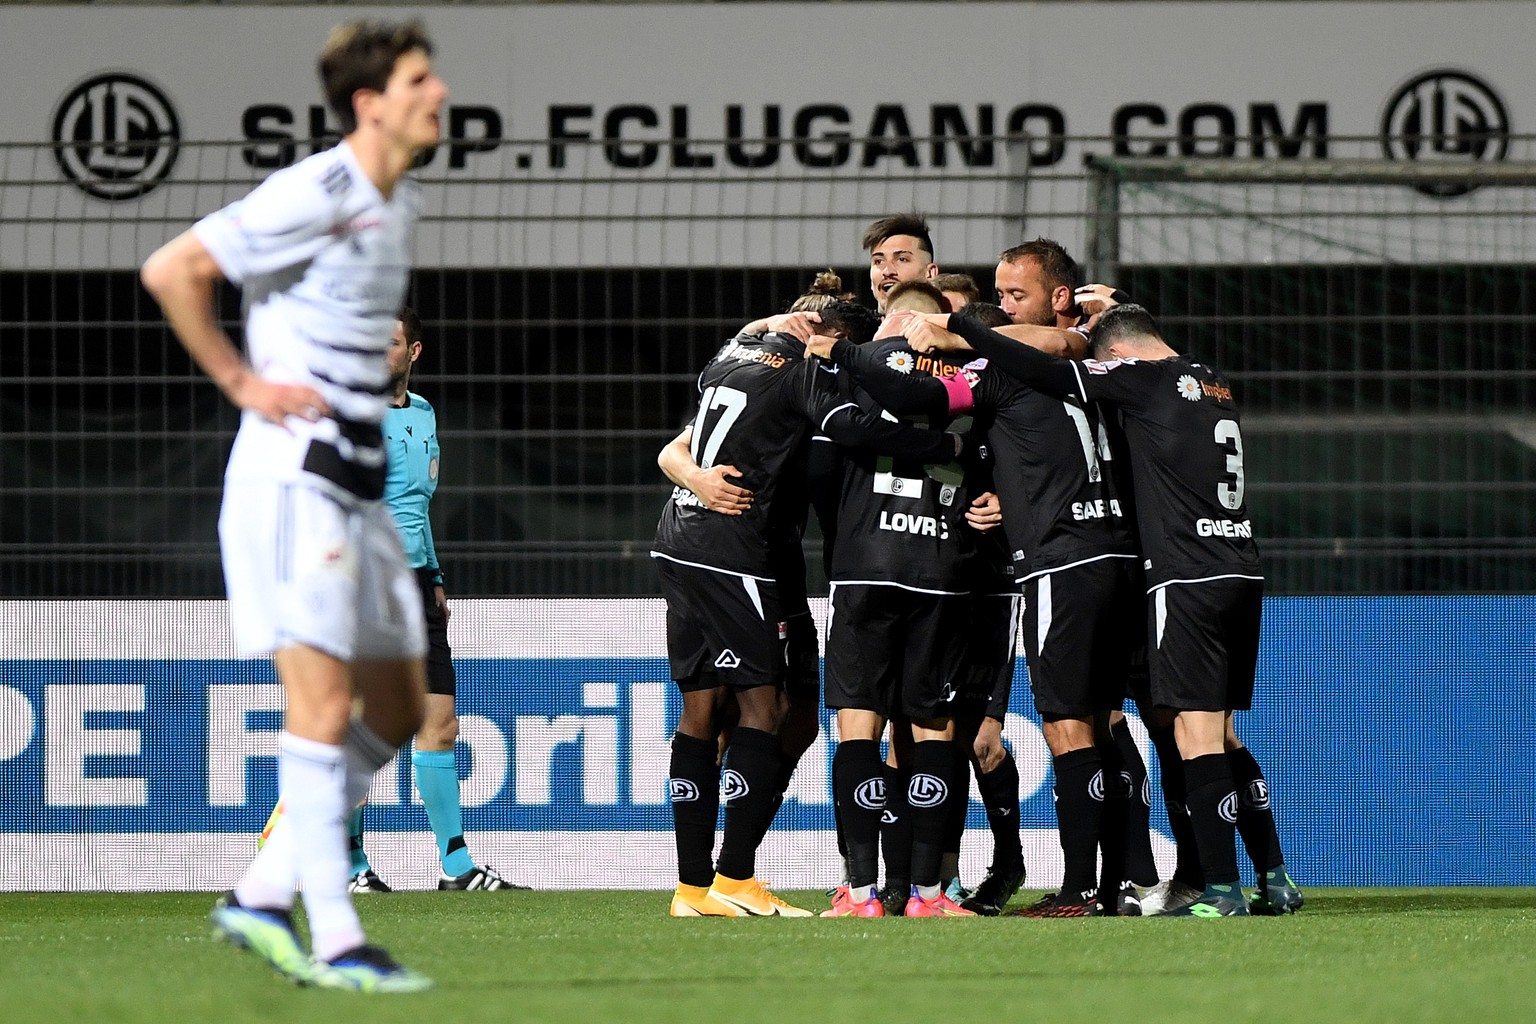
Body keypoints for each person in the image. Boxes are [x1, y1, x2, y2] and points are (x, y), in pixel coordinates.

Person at [140, 19, 447, 990]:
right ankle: (341, 936)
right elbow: (173, 269)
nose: (437, 92)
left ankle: (260, 893)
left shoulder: (397, 201)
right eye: (418, 79)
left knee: (397, 707)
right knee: (319, 705)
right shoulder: (317, 188)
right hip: (291, 480)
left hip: (358, 489)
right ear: (372, 102)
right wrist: (241, 383)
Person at [912, 302, 1297, 917]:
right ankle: (1274, 876)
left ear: (1114, 356)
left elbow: (1047, 371)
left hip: (1183, 574)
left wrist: (968, 331)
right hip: (1241, 566)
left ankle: (1220, 890)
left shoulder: (1136, 377)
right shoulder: (1211, 381)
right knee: (1220, 732)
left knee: (1192, 730)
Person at [815, 279, 1144, 918]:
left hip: (965, 581)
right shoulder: (1015, 380)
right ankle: (924, 887)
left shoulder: (970, 373)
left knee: (954, 736)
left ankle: (900, 888)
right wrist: (962, 459)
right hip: (953, 574)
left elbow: (850, 430)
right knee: (937, 738)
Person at [652, 301, 961, 918]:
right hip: (737, 546)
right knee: (764, 705)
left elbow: (677, 446)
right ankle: (732, 878)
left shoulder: (732, 354)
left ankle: (694, 888)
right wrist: (946, 443)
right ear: (830, 338)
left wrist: (693, 477)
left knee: (707, 705)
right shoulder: (805, 370)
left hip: (686, 539)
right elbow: (849, 425)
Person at [334, 307, 522, 893]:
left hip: (416, 585)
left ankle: (456, 866)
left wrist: (435, 574)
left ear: (414, 353)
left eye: (389, 343)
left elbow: (415, 507)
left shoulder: (422, 413)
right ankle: (350, 864)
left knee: (441, 724)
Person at [864, 213, 940, 312]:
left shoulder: (952, 326)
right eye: (879, 261)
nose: (887, 271)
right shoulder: (853, 326)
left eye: (902, 259)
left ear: (930, 273)